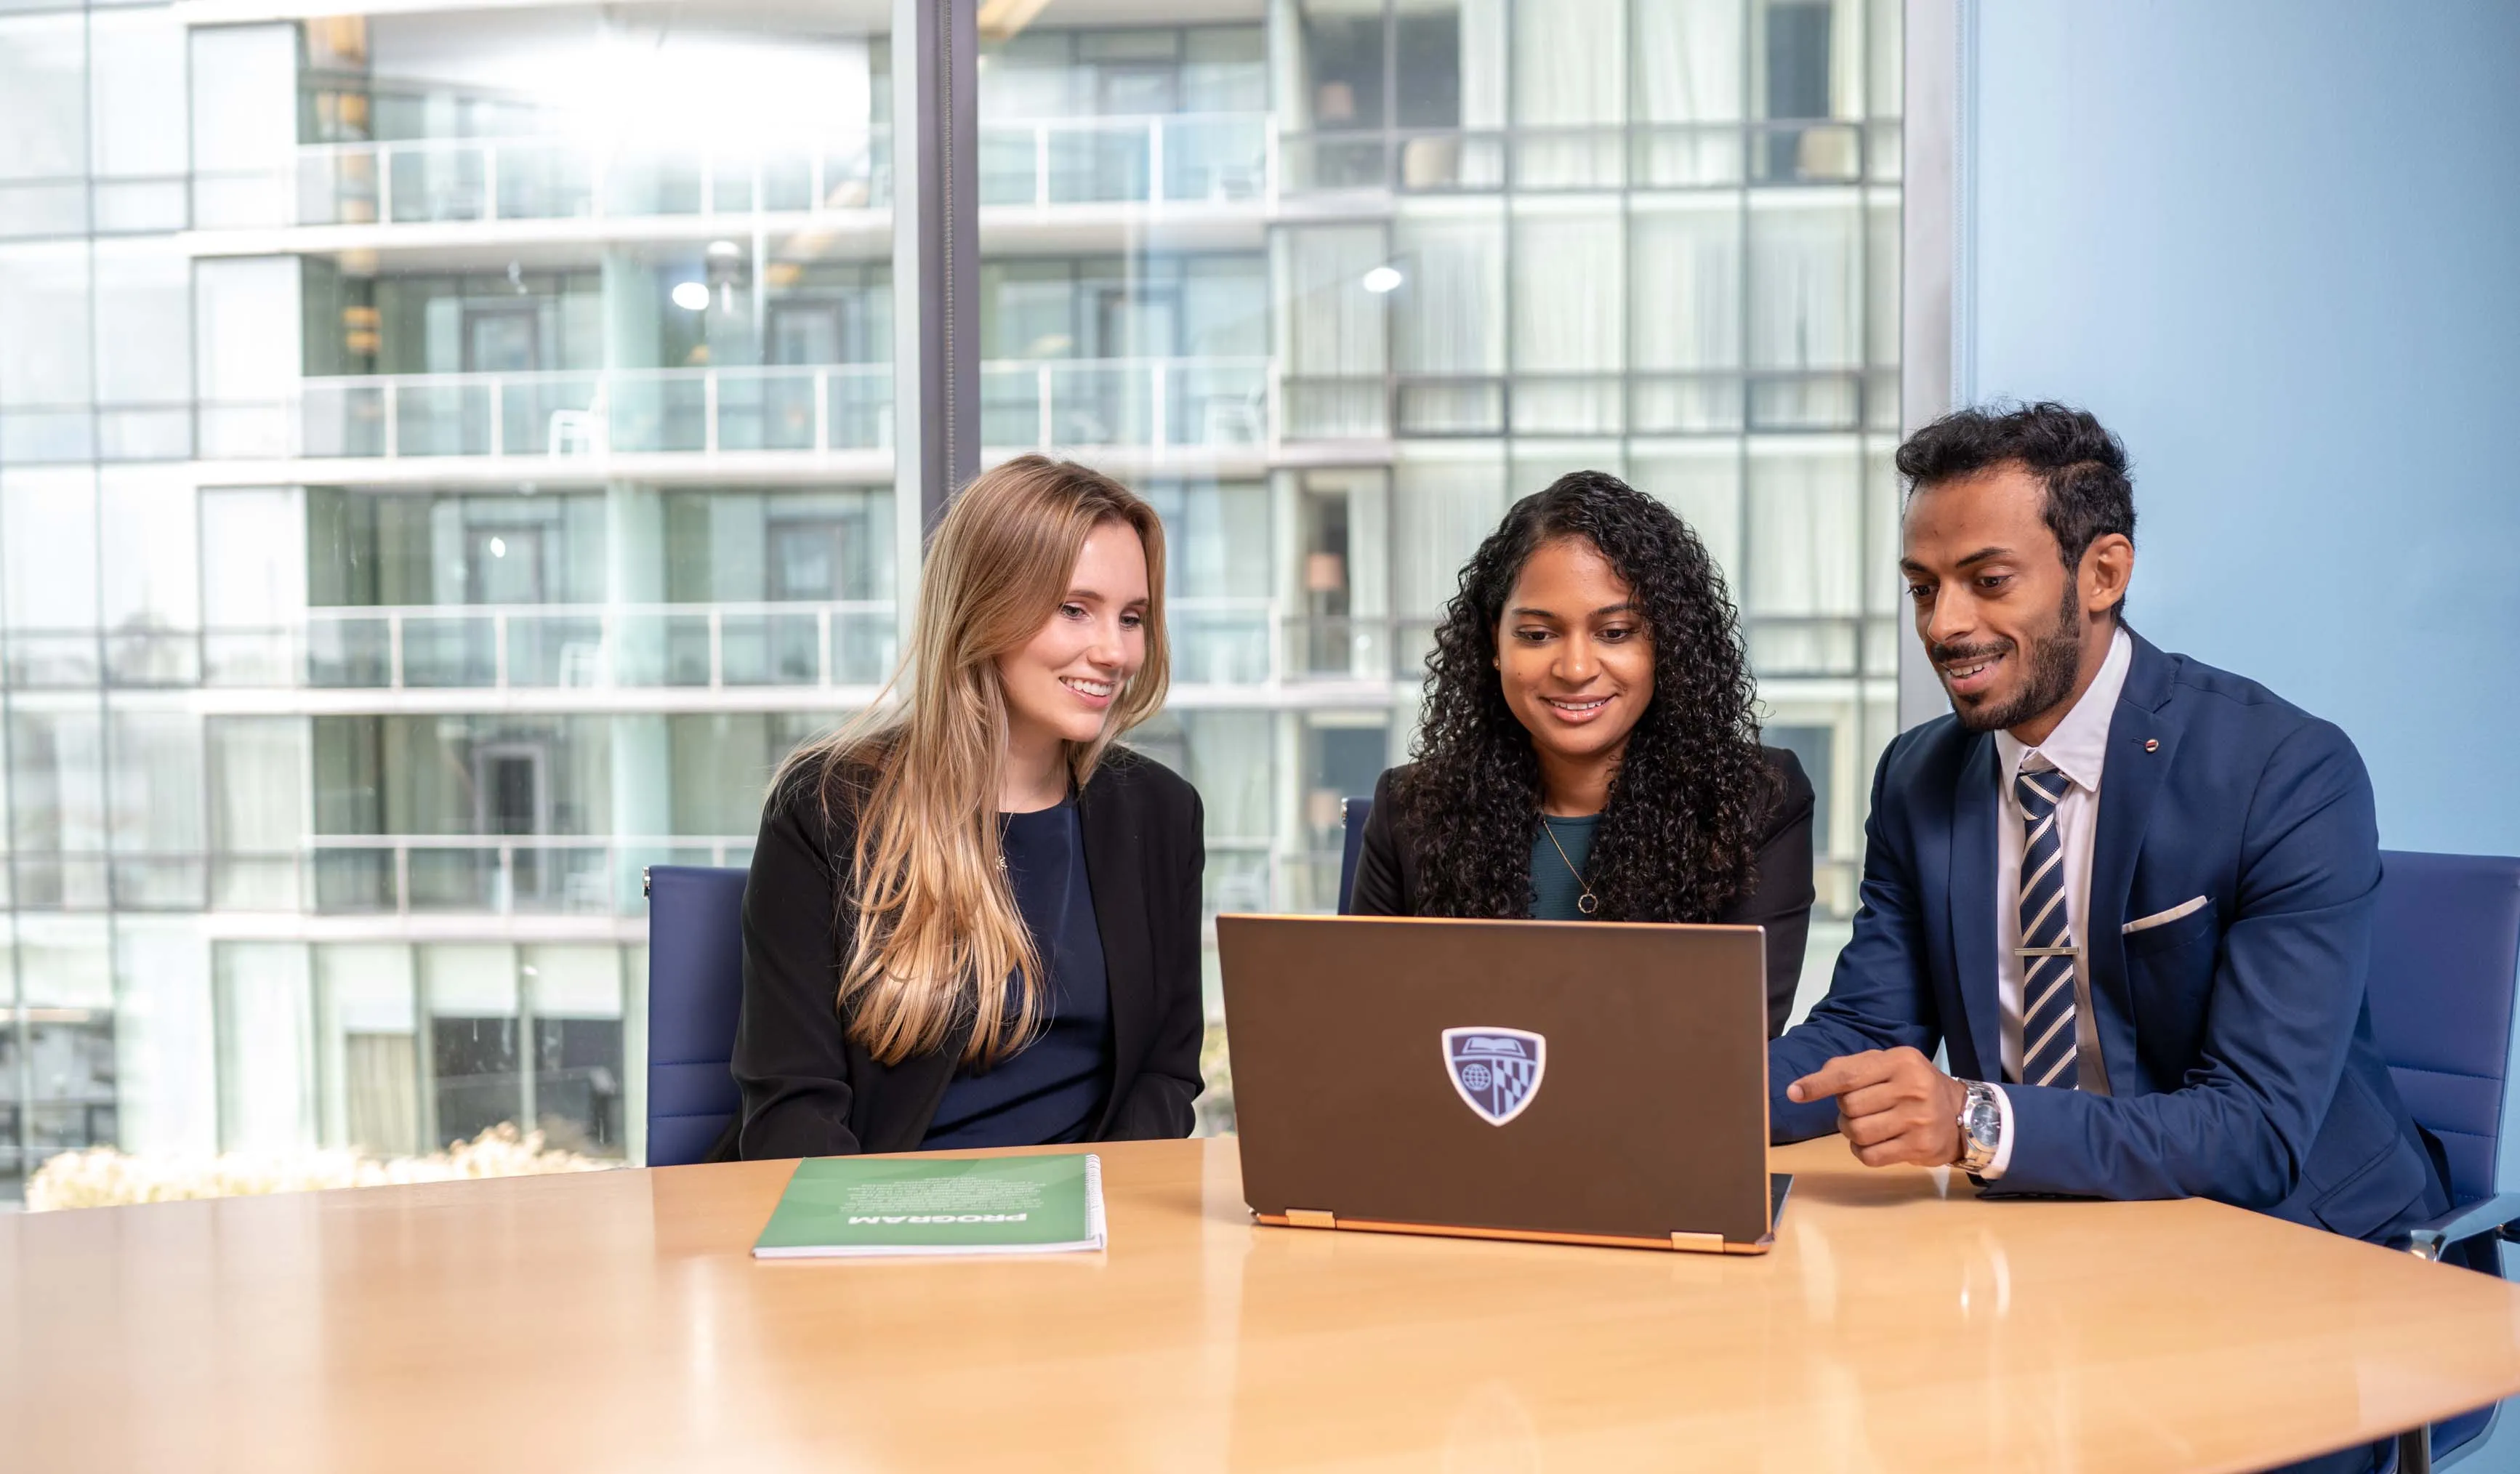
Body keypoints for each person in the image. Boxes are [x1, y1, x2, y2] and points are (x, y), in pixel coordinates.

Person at [1772, 401, 2446, 1247]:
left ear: (2102, 574)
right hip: (2044, 1236)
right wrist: (1661, 1102)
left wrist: (1973, 1121)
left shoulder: (2283, 771)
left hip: (2291, 1240)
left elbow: (2253, 1131)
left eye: (1988, 581)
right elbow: (1866, 1034)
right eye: (1922, 588)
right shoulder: (1920, 777)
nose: (1942, 625)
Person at [727, 455, 1205, 1158]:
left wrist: (1109, 1222)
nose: (1115, 651)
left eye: (1131, 618)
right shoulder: (827, 806)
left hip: (1089, 1230)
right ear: (985, 607)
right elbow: (792, 1111)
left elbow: (1164, 1075)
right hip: (884, 1228)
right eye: (1074, 610)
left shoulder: (1159, 813)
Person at [1349, 470, 1817, 1037]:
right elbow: (1369, 1034)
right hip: (1454, 1125)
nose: (1574, 670)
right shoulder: (1411, 809)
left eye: (1615, 632)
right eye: (1537, 635)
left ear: (1665, 642)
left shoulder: (1753, 801)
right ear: (1493, 645)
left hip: (1661, 1127)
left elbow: (1727, 1043)